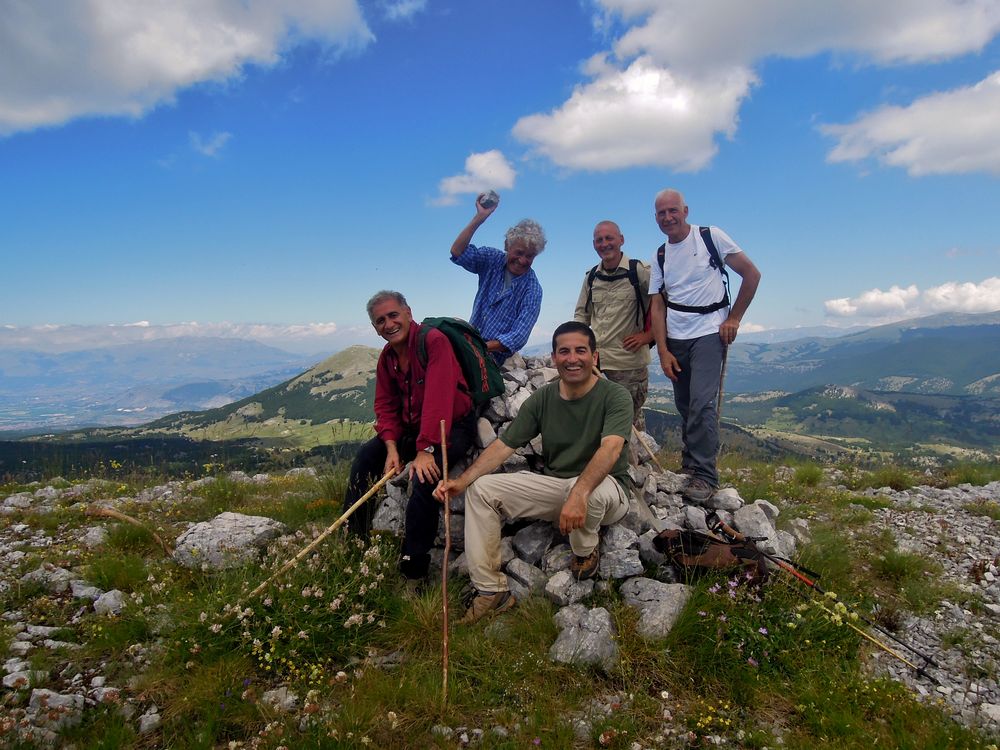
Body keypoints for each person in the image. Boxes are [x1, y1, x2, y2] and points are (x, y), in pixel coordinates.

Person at [434, 321, 633, 624]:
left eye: (581, 350)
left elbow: (610, 450)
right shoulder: (543, 398)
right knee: (482, 490)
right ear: (554, 358)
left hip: (606, 491)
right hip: (558, 488)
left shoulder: (615, 395)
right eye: (564, 351)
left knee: (586, 492)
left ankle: (584, 551)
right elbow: (504, 445)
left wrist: (579, 493)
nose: (572, 358)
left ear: (595, 357)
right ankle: (491, 592)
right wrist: (462, 481)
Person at [342, 290, 476, 588]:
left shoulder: (433, 342)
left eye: (393, 315)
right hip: (412, 429)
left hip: (451, 426)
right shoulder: (387, 358)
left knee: (425, 478)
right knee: (366, 457)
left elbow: (439, 400)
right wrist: (391, 447)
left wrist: (426, 449)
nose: (388, 324)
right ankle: (353, 541)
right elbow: (386, 405)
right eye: (380, 321)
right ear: (375, 328)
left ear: (408, 312)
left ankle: (413, 570)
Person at [648, 189, 761, 503]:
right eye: (661, 213)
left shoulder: (711, 237)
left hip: (710, 332)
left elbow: (751, 274)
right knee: (685, 406)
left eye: (673, 211)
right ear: (655, 218)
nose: (668, 218)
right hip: (676, 337)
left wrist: (734, 318)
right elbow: (657, 306)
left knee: (701, 403)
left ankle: (705, 476)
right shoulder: (660, 255)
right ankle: (691, 464)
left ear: (685, 210)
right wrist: (662, 350)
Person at [574, 220, 654, 431]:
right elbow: (581, 316)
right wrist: (579, 351)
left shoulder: (640, 272)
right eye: (599, 240)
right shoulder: (591, 277)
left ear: (621, 240)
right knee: (596, 422)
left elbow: (667, 306)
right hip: (597, 364)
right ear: (594, 245)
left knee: (623, 425)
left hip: (629, 365)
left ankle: (629, 464)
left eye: (609, 238)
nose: (605, 244)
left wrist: (648, 336)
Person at [450, 194, 545, 364]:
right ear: (507, 246)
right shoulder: (492, 259)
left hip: (493, 357)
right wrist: (479, 218)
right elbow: (458, 252)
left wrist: (481, 347)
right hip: (470, 342)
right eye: (519, 253)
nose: (523, 260)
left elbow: (518, 336)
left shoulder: (533, 289)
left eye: (530, 256)